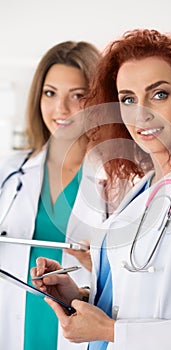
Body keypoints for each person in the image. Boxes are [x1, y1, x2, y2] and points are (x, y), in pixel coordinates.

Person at [32, 29, 171, 350]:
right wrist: (79, 297)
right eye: (128, 99)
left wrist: (112, 331)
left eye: (159, 94)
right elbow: (137, 295)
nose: (141, 113)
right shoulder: (145, 186)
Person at [0, 40, 105, 350]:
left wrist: (99, 258)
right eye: (50, 93)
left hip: (80, 328)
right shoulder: (11, 170)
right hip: (14, 325)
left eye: (78, 96)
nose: (61, 109)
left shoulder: (119, 179)